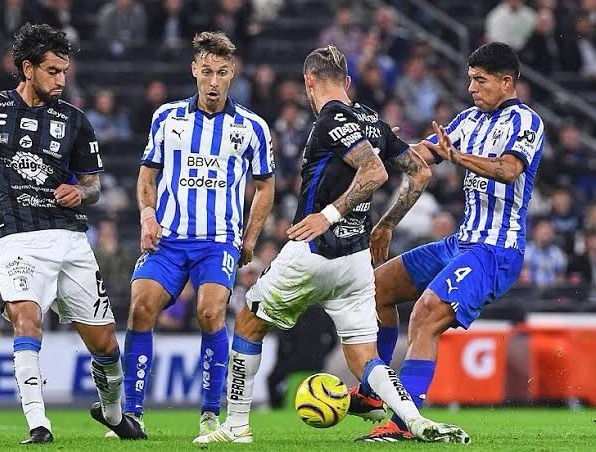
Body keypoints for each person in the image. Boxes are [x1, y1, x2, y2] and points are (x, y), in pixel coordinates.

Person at [193, 45, 468, 445]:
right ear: (348, 81)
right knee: (364, 356)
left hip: (313, 249)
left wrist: (329, 215)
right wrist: (386, 225)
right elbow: (420, 171)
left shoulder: (330, 119)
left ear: (309, 81)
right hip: (355, 261)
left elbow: (373, 171)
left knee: (249, 323)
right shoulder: (371, 120)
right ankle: (413, 419)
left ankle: (235, 427)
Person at [0, 23, 144, 444]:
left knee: (105, 347)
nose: (61, 80)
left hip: (70, 239)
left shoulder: (74, 121)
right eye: (53, 71)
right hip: (16, 238)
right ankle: (39, 426)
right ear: (27, 68)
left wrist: (81, 192)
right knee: (26, 318)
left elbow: (93, 185)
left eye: (64, 71)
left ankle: (112, 413)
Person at [352, 42, 545, 442]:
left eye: (480, 80)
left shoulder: (527, 122)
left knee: (425, 314)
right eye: (470, 79)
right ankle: (373, 392)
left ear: (505, 81)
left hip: (496, 250)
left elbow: (508, 170)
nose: (472, 87)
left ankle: (406, 423)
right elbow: (424, 155)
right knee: (376, 288)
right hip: (459, 242)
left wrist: (457, 158)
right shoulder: (468, 119)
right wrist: (380, 144)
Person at [115, 31, 275, 440]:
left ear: (233, 72)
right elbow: (147, 174)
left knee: (209, 312)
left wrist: (250, 238)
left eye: (221, 72)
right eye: (207, 72)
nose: (214, 81)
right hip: (168, 239)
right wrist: (147, 215)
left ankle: (208, 414)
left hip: (218, 241)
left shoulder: (252, 127)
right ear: (194, 71)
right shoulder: (167, 118)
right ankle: (132, 414)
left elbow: (265, 186)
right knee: (140, 307)